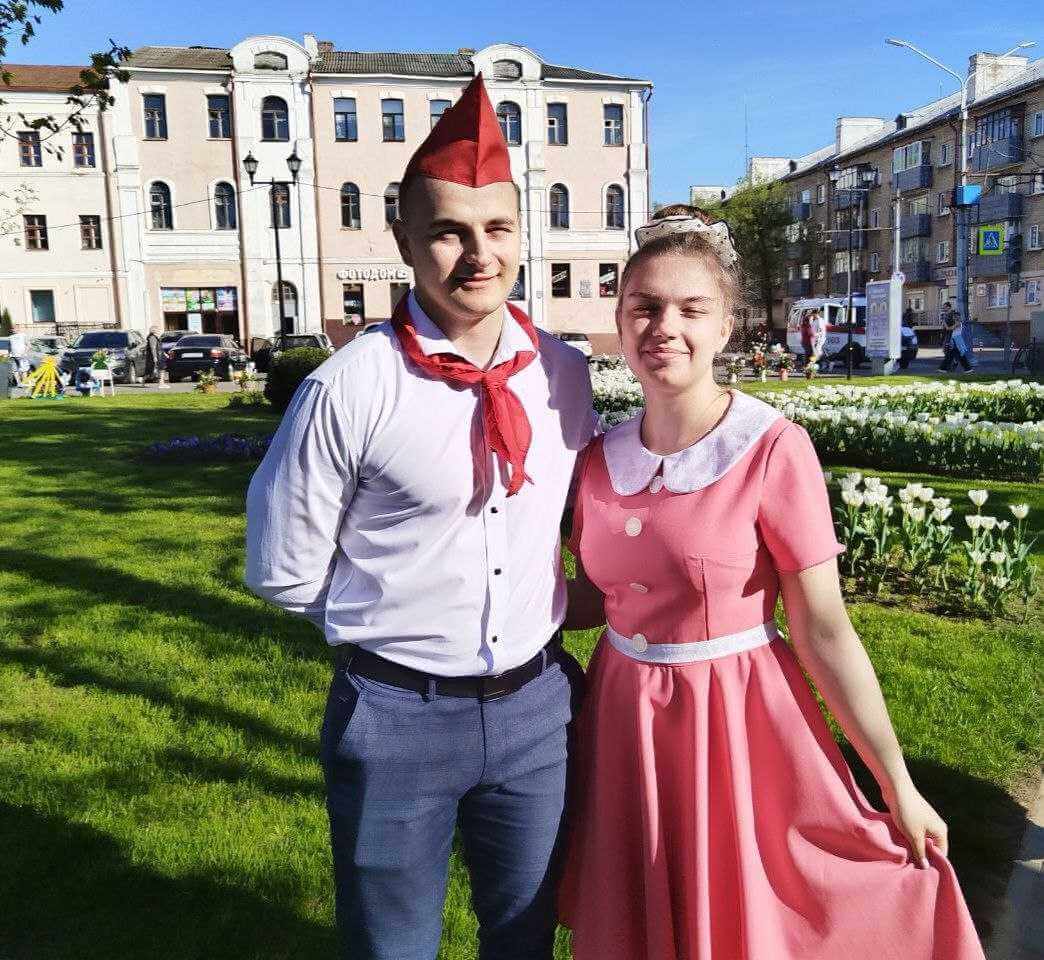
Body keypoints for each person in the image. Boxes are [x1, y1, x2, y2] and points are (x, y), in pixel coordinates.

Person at [558, 207, 985, 960]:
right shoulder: (597, 458)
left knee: (744, 913)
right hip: (623, 718)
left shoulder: (770, 448)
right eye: (644, 308)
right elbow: (603, 598)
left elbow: (823, 629)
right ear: (620, 322)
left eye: (692, 309)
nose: (665, 327)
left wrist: (897, 783)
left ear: (727, 325)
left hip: (736, 721)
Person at [245, 74, 595, 960]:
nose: (479, 254)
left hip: (537, 710)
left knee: (524, 938)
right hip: (397, 713)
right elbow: (283, 569)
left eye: (497, 228)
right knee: (392, 946)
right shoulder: (349, 387)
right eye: (448, 231)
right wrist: (394, 631)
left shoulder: (562, 373)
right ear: (403, 238)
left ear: (522, 234)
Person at [939, 308, 972, 373]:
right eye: (954, 316)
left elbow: (948, 328)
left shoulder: (958, 323)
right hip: (955, 340)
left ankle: (943, 368)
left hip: (957, 340)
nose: (955, 318)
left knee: (956, 355)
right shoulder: (956, 323)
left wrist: (944, 322)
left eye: (956, 316)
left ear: (958, 317)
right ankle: (967, 369)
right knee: (954, 355)